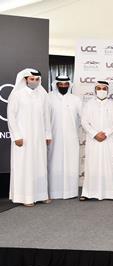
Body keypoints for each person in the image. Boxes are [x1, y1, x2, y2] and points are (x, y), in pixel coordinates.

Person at [7, 68, 52, 207]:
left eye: (37, 79)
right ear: (25, 79)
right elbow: (11, 117)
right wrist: (16, 136)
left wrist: (47, 134)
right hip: (23, 138)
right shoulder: (17, 95)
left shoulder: (42, 95)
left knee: (39, 164)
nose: (34, 81)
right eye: (31, 79)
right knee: (24, 166)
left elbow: (46, 116)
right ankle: (25, 197)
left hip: (38, 137)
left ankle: (41, 194)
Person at [80, 81, 113, 201]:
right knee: (91, 165)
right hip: (93, 139)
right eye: (99, 88)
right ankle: (88, 193)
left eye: (104, 88)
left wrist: (106, 133)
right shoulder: (88, 105)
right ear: (95, 90)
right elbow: (84, 122)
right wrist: (95, 134)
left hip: (108, 140)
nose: (101, 90)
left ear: (108, 90)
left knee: (108, 165)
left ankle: (110, 193)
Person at [47, 75, 82, 199]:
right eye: (60, 84)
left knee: (71, 163)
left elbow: (83, 117)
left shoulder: (75, 99)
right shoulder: (49, 98)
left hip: (71, 137)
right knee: (54, 163)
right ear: (56, 84)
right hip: (53, 137)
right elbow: (45, 118)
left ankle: (70, 192)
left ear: (69, 85)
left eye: (65, 84)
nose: (63, 86)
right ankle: (54, 192)